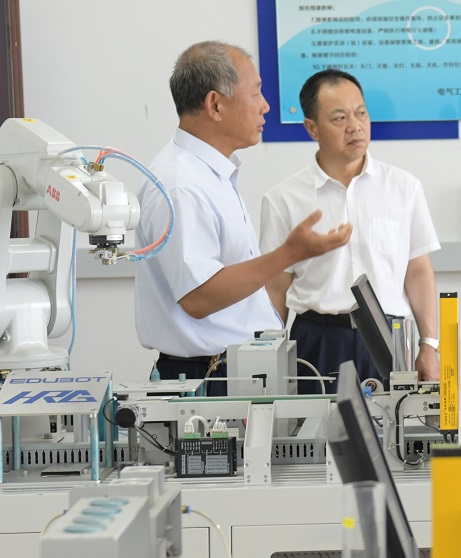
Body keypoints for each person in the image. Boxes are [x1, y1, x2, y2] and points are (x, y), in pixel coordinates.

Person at [135, 42, 352, 395]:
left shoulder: (211, 174)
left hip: (236, 369)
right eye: (256, 93)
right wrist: (290, 253)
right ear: (215, 105)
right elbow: (199, 297)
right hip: (209, 378)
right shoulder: (182, 185)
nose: (266, 106)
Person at [260, 69, 440, 394]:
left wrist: (429, 345)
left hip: (391, 336)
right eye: (340, 118)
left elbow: (418, 272)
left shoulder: (403, 187)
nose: (355, 126)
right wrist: (266, 364)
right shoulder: (283, 199)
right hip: (318, 339)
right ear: (312, 127)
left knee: (395, 424)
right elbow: (275, 288)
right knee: (312, 426)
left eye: (361, 113)